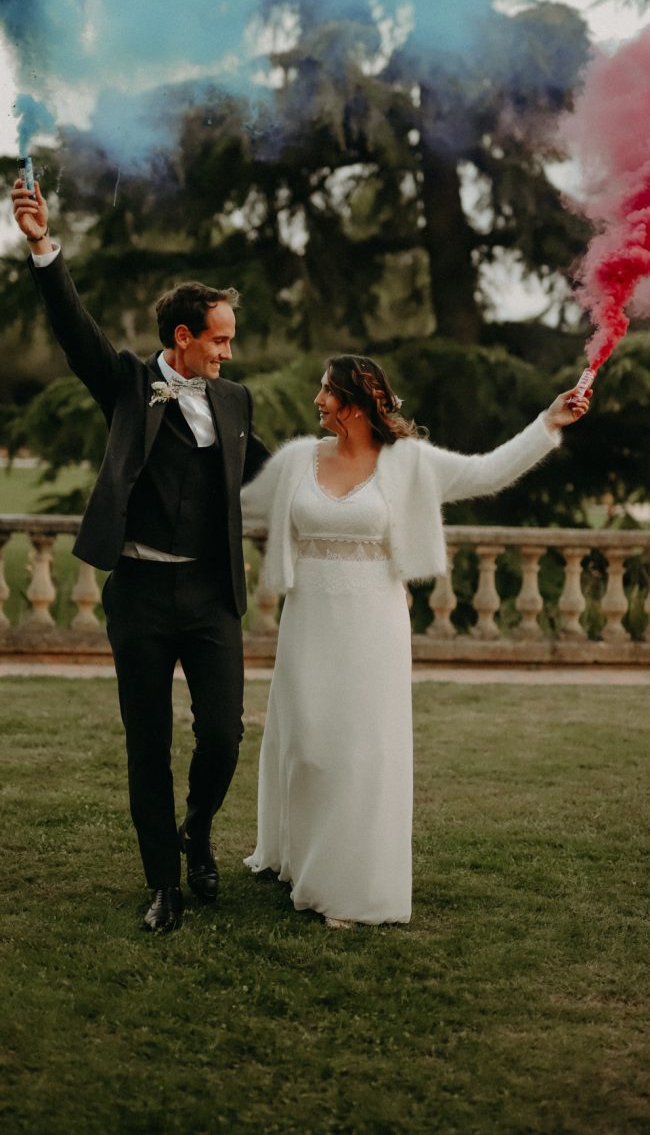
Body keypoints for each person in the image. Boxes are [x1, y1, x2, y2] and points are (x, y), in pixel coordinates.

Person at [240, 354, 591, 928]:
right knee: (306, 747)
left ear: (354, 401)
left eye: (326, 391)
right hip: (307, 621)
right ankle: (298, 855)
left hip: (372, 624)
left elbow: (487, 472)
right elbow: (241, 504)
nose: (317, 401)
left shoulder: (409, 462)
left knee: (359, 752)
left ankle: (349, 886)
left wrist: (547, 422)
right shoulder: (298, 459)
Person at [11, 176, 269, 934]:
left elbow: (270, 471)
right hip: (140, 600)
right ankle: (164, 882)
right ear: (182, 337)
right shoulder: (126, 382)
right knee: (146, 742)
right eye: (219, 338)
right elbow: (73, 327)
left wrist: (358, 462)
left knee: (223, 734)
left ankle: (197, 829)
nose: (229, 351)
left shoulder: (235, 400)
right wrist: (41, 246)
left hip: (212, 596)